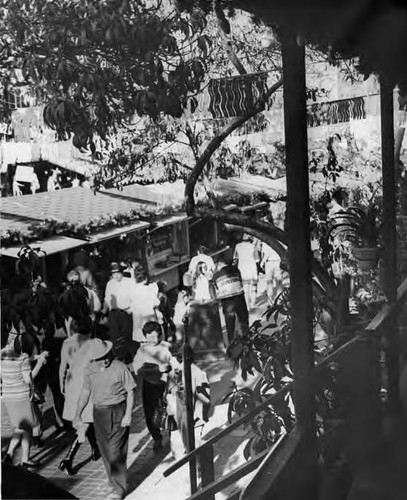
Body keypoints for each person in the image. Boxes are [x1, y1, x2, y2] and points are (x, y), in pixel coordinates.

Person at [74, 339, 136, 500]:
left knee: (116, 451)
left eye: (105, 355)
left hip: (118, 411)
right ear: (93, 359)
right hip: (99, 413)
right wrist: (77, 414)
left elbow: (131, 391)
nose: (104, 359)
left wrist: (128, 414)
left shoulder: (120, 367)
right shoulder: (89, 370)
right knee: (105, 451)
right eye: (99, 358)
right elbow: (85, 392)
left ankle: (119, 489)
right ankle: (114, 482)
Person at [1, 326, 49, 468]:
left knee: (19, 427)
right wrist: (39, 363)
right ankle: (25, 459)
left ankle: (9, 453)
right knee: (27, 428)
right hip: (21, 397)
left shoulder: (2, 353)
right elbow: (29, 378)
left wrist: (37, 357)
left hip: (8, 396)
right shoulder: (22, 358)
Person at [58, 317, 100, 476]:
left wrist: (61, 384)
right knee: (85, 420)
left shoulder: (67, 342)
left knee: (84, 418)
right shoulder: (93, 342)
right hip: (86, 382)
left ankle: (95, 450)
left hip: (71, 382)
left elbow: (62, 365)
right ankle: (68, 459)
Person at [132, 321, 177, 452]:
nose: (152, 340)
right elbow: (137, 370)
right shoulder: (142, 350)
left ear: (161, 335)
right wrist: (156, 369)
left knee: (170, 410)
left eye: (155, 336)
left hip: (167, 384)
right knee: (150, 414)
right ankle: (156, 437)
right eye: (148, 336)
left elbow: (177, 364)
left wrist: (171, 368)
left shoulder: (167, 347)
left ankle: (172, 435)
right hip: (150, 386)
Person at [167, 346, 211, 459]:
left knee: (179, 451)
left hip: (179, 417)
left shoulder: (173, 373)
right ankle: (198, 469)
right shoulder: (199, 373)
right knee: (195, 446)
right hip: (195, 416)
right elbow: (205, 398)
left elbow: (170, 393)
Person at [102, 262, 137, 363]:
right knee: (115, 337)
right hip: (113, 313)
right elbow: (107, 299)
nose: (116, 276)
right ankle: (120, 357)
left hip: (126, 312)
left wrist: (131, 310)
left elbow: (134, 297)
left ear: (122, 272)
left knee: (127, 335)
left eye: (118, 273)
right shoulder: (110, 284)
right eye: (114, 274)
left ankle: (130, 356)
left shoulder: (130, 282)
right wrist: (104, 311)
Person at [212, 259, 249, 345]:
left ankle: (231, 344)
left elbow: (216, 289)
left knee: (229, 324)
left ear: (219, 264)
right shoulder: (236, 270)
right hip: (239, 298)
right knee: (243, 321)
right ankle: (246, 340)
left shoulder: (215, 276)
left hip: (227, 301)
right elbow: (240, 282)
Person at [233, 234, 260, 310]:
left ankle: (247, 306)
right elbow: (257, 259)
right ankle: (253, 305)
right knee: (253, 288)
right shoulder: (253, 246)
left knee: (245, 289)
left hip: (242, 270)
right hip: (252, 269)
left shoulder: (237, 246)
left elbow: (235, 258)